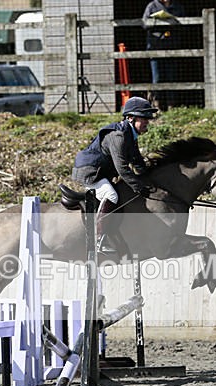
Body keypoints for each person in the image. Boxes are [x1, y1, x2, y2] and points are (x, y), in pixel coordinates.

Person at [71, 96, 158, 257]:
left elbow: (137, 162)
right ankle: (99, 239)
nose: (148, 121)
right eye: (144, 117)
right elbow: (123, 168)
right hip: (89, 172)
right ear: (130, 118)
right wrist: (139, 187)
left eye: (148, 118)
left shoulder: (130, 135)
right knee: (111, 195)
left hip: (100, 171)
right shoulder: (119, 136)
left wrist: (150, 178)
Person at [143, 0, 185, 110]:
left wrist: (172, 21)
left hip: (172, 45)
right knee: (157, 77)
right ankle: (157, 106)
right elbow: (144, 23)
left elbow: (184, 22)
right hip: (156, 46)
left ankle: (171, 105)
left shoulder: (177, 6)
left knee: (172, 76)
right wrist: (156, 21)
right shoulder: (152, 6)